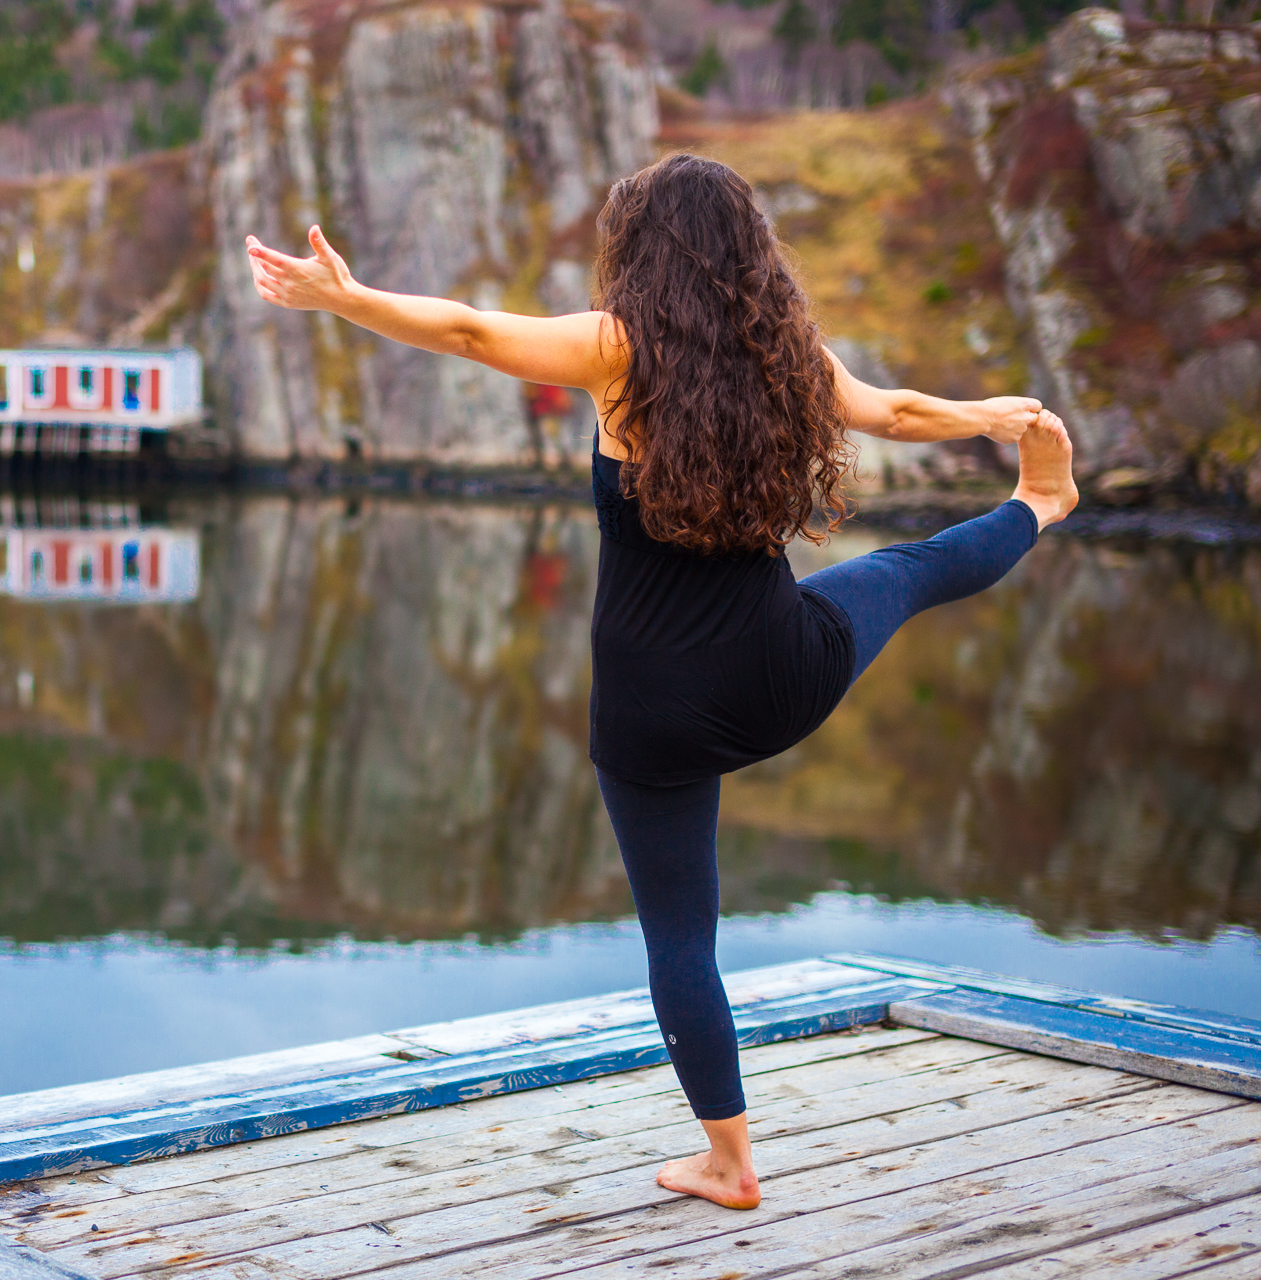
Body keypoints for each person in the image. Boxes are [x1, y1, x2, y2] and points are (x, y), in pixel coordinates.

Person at [246, 151, 1078, 1211]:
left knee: (682, 937)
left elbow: (466, 331)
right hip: (782, 674)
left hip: (648, 718)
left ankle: (729, 1162)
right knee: (907, 572)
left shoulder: (616, 352)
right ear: (751, 252)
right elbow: (901, 414)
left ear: (637, 248)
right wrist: (997, 417)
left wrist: (349, 299)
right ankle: (1043, 508)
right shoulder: (790, 359)